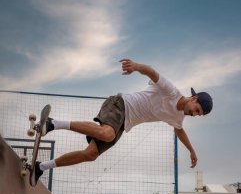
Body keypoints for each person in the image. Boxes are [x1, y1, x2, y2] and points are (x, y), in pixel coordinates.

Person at [35, 58, 213, 183]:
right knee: (107, 134)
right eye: (196, 110)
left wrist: (191, 150)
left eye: (198, 115)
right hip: (120, 104)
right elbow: (152, 72)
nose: (194, 114)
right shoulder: (171, 92)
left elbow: (179, 130)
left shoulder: (179, 117)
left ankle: (41, 167)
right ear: (193, 98)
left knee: (91, 155)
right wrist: (135, 66)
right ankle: (52, 123)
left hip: (124, 123)